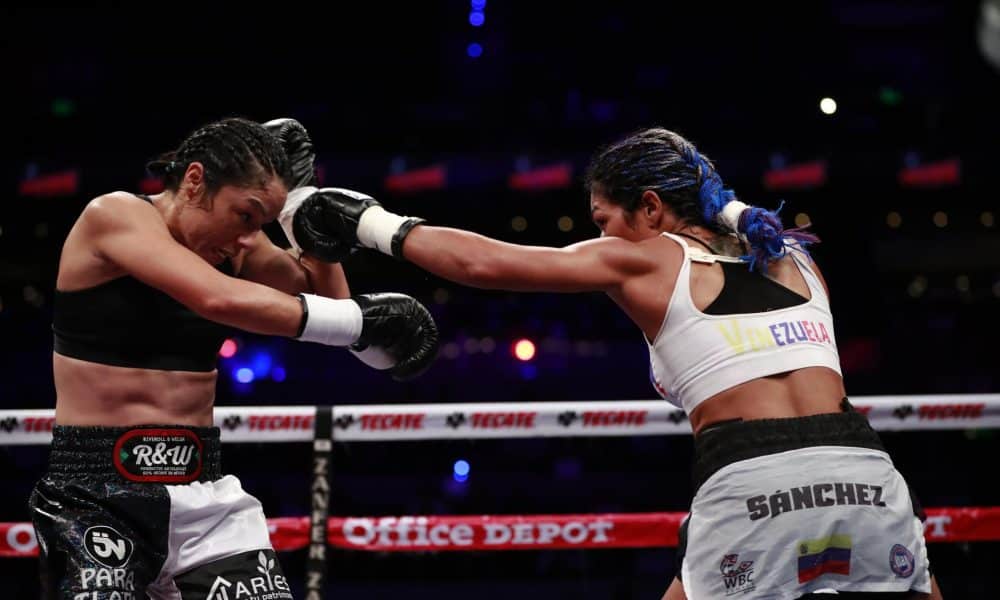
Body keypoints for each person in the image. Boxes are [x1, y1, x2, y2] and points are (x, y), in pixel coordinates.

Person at [278, 127, 943, 599]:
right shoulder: (797, 258)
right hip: (869, 473)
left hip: (754, 477)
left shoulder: (653, 258)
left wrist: (366, 222)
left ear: (651, 207)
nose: (600, 237)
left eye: (603, 220)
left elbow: (485, 262)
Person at [28, 117, 439, 599]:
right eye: (245, 215)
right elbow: (218, 298)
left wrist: (305, 216)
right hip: (95, 494)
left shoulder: (236, 246)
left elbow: (328, 302)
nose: (249, 236)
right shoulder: (115, 215)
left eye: (262, 223)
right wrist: (356, 322)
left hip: (204, 495)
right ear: (195, 181)